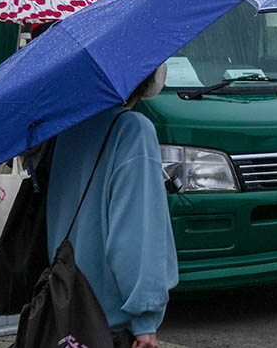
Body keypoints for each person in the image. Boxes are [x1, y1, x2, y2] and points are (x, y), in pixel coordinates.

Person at [46, 66, 178, 348]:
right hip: (108, 323)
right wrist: (145, 321)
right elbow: (136, 235)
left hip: (65, 307)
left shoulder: (65, 128)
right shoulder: (133, 130)